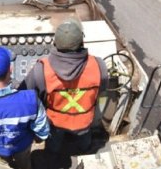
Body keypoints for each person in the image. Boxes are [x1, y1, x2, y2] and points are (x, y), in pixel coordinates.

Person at [22, 19, 108, 154]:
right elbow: (101, 90)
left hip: (55, 123)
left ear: (55, 43)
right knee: (84, 142)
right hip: (84, 121)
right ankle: (84, 153)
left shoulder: (41, 69)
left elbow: (27, 95)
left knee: (53, 145)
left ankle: (53, 157)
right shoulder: (99, 65)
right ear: (82, 42)